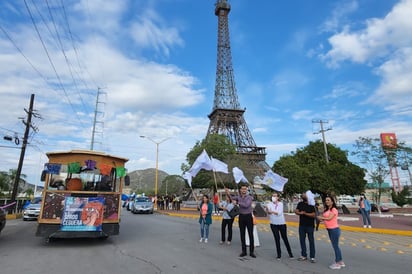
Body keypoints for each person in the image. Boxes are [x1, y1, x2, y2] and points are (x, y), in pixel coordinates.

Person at [225, 184, 256, 258]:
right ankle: (244, 251)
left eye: (245, 189)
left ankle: (251, 252)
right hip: (241, 216)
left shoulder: (249, 197)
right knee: (242, 234)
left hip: (248, 216)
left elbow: (246, 205)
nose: (244, 190)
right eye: (242, 189)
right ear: (240, 190)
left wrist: (238, 202)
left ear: (247, 190)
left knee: (250, 234)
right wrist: (228, 193)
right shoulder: (238, 197)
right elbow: (232, 198)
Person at [317, 196, 345, 270]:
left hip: (334, 230)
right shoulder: (327, 209)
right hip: (329, 230)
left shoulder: (334, 209)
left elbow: (329, 218)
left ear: (332, 202)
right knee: (336, 246)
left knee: (335, 246)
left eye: (328, 200)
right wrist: (321, 220)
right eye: (326, 200)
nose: (327, 201)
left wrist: (322, 218)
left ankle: (337, 263)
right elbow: (326, 219)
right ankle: (341, 261)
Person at [266, 192, 294, 260]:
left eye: (275, 196)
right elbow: (268, 212)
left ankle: (290, 253)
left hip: (281, 224)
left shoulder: (280, 204)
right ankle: (279, 255)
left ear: (278, 197)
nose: (273, 197)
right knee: (277, 239)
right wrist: (268, 210)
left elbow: (279, 213)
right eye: (272, 196)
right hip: (273, 224)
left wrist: (271, 211)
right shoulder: (269, 204)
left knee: (285, 238)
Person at [295, 190, 316, 263]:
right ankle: (304, 255)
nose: (302, 195)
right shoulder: (300, 203)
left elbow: (313, 214)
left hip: (310, 226)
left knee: (311, 241)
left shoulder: (312, 204)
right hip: (302, 225)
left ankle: (312, 257)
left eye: (304, 194)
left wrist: (305, 213)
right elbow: (296, 211)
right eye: (303, 194)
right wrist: (300, 213)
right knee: (302, 241)